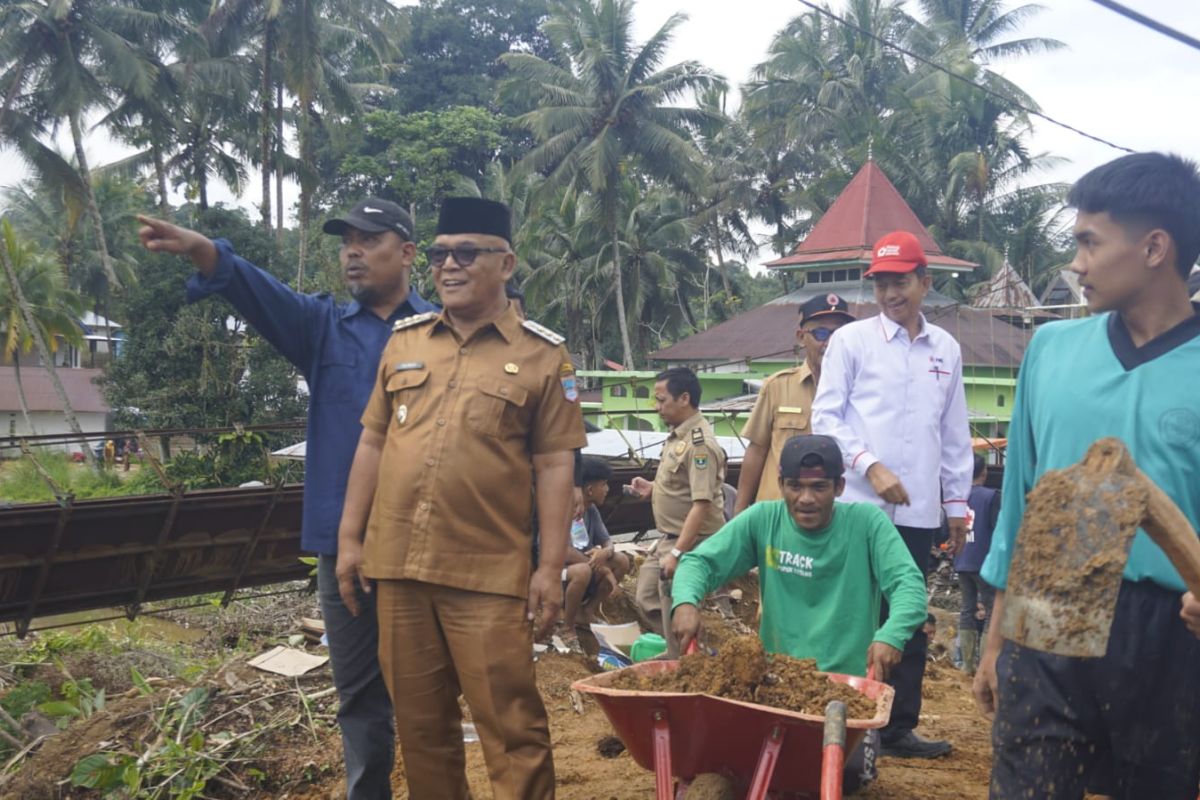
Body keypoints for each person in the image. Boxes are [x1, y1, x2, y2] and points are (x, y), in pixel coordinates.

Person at [137, 198, 437, 800]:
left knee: (431, 690)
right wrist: (206, 251)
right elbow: (259, 293)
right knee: (358, 695)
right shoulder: (322, 326)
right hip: (343, 547)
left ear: (406, 253)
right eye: (346, 240)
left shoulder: (441, 330)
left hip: (429, 540)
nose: (352, 250)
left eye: (369, 239)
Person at [334, 196, 585, 800]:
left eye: (467, 253)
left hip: (487, 576)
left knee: (512, 731)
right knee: (423, 734)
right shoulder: (405, 342)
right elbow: (372, 441)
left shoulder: (544, 356)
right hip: (398, 569)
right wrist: (349, 540)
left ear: (506, 263)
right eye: (442, 254)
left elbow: (555, 465)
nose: (449, 266)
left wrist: (550, 566)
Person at [974, 152, 1200, 799]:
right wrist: (996, 640)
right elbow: (1018, 509)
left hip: (1170, 635)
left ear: (1154, 247)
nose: (1075, 262)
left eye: (1088, 242)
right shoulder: (1051, 352)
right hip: (1046, 611)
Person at [671, 434, 927, 794]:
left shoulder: (866, 524)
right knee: (738, 764)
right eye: (795, 486)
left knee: (849, 774)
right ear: (781, 485)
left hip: (845, 693)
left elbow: (909, 585)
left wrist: (891, 634)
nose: (806, 499)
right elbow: (700, 562)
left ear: (839, 486)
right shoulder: (765, 519)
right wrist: (685, 601)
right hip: (773, 686)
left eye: (819, 487)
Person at [811, 229, 973, 759]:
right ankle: (841, 719)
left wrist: (955, 504)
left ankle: (898, 727)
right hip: (858, 506)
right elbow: (826, 417)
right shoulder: (851, 342)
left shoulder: (945, 349)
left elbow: (952, 433)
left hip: (917, 511)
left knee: (908, 617)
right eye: (880, 284)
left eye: (899, 282)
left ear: (924, 282)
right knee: (850, 613)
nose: (889, 294)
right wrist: (869, 465)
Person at [628, 367, 726, 659]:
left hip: (688, 542)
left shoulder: (700, 446)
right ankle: (693, 650)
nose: (658, 408)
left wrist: (679, 553)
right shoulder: (677, 438)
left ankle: (685, 659)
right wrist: (653, 488)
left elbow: (701, 503)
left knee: (673, 601)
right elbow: (681, 485)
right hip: (668, 538)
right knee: (646, 597)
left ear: (684, 398)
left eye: (661, 400)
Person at [733, 293, 855, 514]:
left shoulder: (861, 393)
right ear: (801, 337)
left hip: (835, 516)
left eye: (838, 334)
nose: (829, 343)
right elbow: (757, 450)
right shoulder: (777, 387)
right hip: (777, 513)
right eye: (820, 333)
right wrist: (739, 512)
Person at [561, 456, 632, 639]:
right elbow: (564, 551)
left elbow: (607, 541)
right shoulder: (563, 509)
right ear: (590, 489)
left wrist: (605, 552)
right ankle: (568, 627)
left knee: (621, 561)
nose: (607, 490)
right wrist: (602, 569)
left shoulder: (591, 510)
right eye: (604, 484)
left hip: (586, 563)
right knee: (583, 571)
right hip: (558, 571)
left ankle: (587, 612)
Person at [954, 454, 998, 675]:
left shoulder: (958, 497)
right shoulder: (991, 496)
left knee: (966, 609)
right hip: (983, 561)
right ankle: (982, 666)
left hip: (962, 559)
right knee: (991, 610)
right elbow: (997, 529)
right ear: (984, 472)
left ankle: (966, 666)